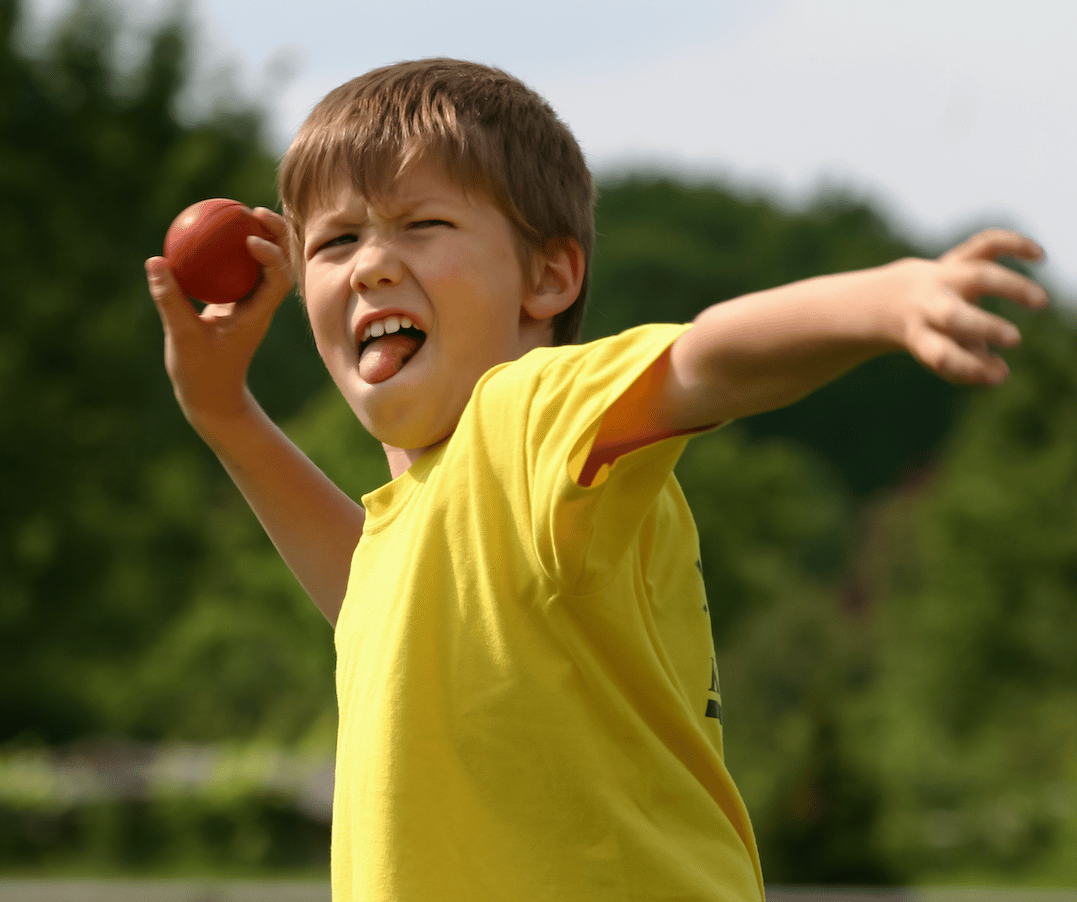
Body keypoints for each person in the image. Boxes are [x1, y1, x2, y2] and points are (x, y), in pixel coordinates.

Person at [144, 58, 1048, 902]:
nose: (373, 260)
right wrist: (225, 413)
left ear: (549, 275)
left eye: (422, 223)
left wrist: (881, 300)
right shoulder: (425, 526)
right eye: (336, 241)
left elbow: (705, 364)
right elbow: (372, 594)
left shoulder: (525, 412)